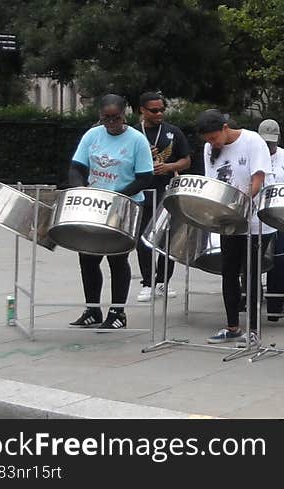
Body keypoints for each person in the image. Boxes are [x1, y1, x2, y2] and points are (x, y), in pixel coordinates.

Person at [68, 94, 154, 329]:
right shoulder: (92, 135)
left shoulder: (137, 140)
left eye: (116, 118)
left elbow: (145, 176)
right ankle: (92, 310)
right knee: (87, 257)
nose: (111, 123)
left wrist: (119, 196)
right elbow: (77, 167)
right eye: (106, 118)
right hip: (95, 203)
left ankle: (118, 313)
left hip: (124, 204)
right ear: (100, 116)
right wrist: (80, 188)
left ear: (124, 115)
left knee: (117, 258)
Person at [197, 110, 273, 349]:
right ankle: (232, 327)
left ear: (225, 127)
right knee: (228, 271)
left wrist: (239, 205)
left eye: (214, 138)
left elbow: (258, 181)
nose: (212, 143)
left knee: (249, 273)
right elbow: (214, 184)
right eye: (207, 140)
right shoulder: (210, 149)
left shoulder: (252, 141)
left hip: (252, 219)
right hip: (228, 221)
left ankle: (253, 329)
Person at [135, 91, 191, 302]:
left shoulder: (173, 132)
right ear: (142, 110)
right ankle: (147, 282)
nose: (159, 114)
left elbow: (186, 161)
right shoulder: (134, 134)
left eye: (162, 110)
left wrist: (168, 166)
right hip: (142, 192)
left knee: (167, 239)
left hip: (166, 192)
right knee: (143, 239)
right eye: (154, 110)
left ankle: (162, 282)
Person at [258, 118, 284, 321]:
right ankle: (250, 300)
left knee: (280, 261)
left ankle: (275, 306)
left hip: (280, 217)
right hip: (256, 215)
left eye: (272, 142)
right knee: (252, 261)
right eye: (265, 142)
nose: (268, 146)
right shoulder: (253, 156)